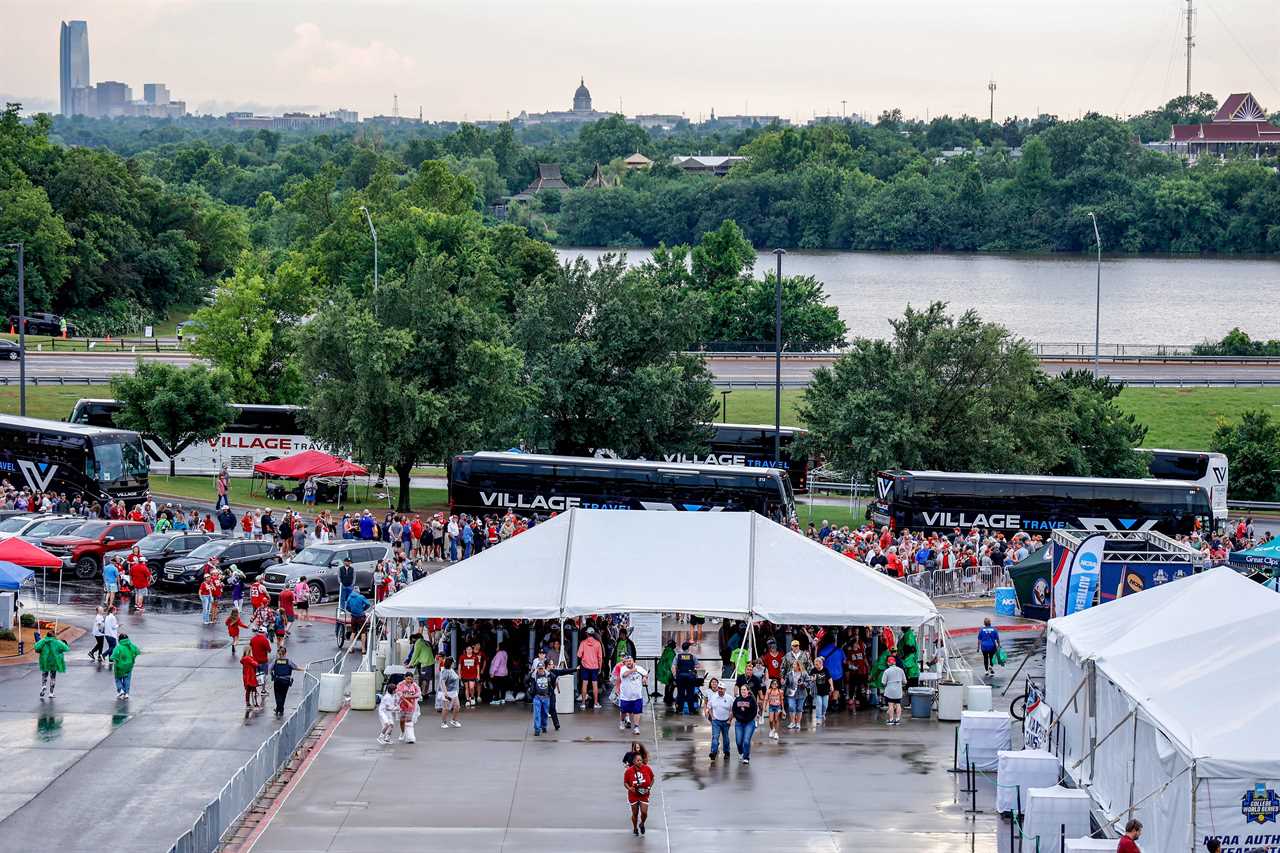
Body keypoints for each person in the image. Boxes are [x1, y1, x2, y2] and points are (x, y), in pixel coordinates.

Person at [623, 751, 654, 836]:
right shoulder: (629, 771)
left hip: (644, 794)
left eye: (641, 760)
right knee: (635, 813)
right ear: (633, 762)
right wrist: (630, 788)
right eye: (638, 760)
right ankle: (635, 828)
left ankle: (642, 823)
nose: (640, 762)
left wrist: (648, 788)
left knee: (644, 812)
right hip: (633, 795)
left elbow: (652, 778)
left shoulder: (647, 768)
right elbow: (625, 782)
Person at [615, 656, 649, 735]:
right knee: (623, 711)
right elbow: (624, 675)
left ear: (633, 661)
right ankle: (622, 721)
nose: (629, 662)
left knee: (637, 712)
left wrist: (644, 678)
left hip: (637, 696)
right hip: (626, 696)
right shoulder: (623, 669)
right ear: (625, 663)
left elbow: (646, 674)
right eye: (627, 661)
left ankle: (636, 727)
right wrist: (632, 670)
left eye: (630, 661)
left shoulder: (639, 668)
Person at [704, 678, 733, 761]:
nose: (720, 690)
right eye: (719, 689)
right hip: (716, 721)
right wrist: (712, 717)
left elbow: (732, 710)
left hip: (726, 721)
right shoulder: (713, 697)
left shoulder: (729, 698)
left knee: (726, 738)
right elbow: (709, 707)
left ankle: (726, 752)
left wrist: (729, 720)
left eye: (722, 689)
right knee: (715, 737)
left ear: (725, 690)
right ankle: (713, 752)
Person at [35, 630, 69, 700]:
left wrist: (41, 651)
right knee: (53, 677)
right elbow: (66, 648)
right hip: (54, 661)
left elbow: (36, 648)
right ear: (53, 635)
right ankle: (51, 693)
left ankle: (44, 685)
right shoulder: (57, 642)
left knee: (44, 674)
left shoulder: (43, 641)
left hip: (45, 660)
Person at [576, 626, 605, 708]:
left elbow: (578, 654)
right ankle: (596, 703)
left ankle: (583, 703)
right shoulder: (598, 643)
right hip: (595, 667)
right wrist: (599, 668)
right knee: (594, 684)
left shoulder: (583, 643)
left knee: (584, 684)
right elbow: (600, 657)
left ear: (586, 634)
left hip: (585, 666)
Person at [269, 646, 301, 718]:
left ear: (278, 653)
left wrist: (272, 673)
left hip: (277, 680)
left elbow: (269, 669)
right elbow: (296, 667)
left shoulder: (275, 661)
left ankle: (279, 708)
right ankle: (280, 709)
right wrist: (304, 669)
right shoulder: (288, 661)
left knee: (277, 696)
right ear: (285, 653)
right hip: (286, 681)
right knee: (283, 695)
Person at [732, 683, 758, 763]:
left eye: (744, 690)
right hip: (739, 723)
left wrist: (747, 719)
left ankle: (746, 757)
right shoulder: (737, 699)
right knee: (739, 741)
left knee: (746, 741)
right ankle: (741, 753)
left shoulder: (751, 700)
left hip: (749, 723)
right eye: (741, 690)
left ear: (748, 691)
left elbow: (754, 712)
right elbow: (734, 710)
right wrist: (739, 718)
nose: (742, 691)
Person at [110, 631, 141, 700]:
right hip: (129, 666)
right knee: (127, 679)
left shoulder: (118, 648)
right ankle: (126, 693)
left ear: (119, 640)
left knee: (118, 678)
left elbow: (113, 657)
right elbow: (137, 652)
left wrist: (113, 660)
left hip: (119, 666)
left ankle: (121, 690)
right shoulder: (131, 646)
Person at [527, 660, 553, 735]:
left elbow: (553, 681)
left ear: (544, 668)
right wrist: (532, 672)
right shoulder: (534, 675)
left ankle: (544, 726)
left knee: (545, 713)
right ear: (537, 668)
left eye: (542, 668)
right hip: (537, 697)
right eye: (539, 668)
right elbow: (526, 680)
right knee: (537, 714)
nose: (541, 670)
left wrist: (551, 692)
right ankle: (537, 729)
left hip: (546, 697)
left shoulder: (548, 674)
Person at [395, 673, 422, 743]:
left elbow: (419, 693)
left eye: (410, 679)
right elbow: (400, 694)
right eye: (407, 679)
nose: (409, 680)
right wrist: (407, 701)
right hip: (402, 705)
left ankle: (410, 737)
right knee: (402, 720)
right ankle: (402, 732)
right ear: (405, 678)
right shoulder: (400, 684)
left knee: (409, 720)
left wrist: (410, 697)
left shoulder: (414, 685)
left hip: (411, 706)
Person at [785, 659, 811, 731]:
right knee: (791, 707)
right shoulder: (789, 673)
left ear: (798, 666)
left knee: (799, 708)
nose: (793, 666)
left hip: (801, 693)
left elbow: (809, 683)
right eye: (793, 664)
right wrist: (784, 683)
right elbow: (786, 683)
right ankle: (792, 722)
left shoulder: (804, 673)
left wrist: (803, 684)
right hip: (791, 693)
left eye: (794, 664)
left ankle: (798, 723)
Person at [673, 641, 698, 714]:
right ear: (688, 648)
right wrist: (692, 666)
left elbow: (673, 666)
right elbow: (698, 665)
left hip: (680, 677)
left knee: (680, 693)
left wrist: (675, 676)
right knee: (690, 693)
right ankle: (691, 710)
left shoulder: (678, 656)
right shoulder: (692, 656)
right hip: (690, 677)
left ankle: (679, 710)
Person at [881, 655, 906, 726]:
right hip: (898, 690)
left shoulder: (886, 671)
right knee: (898, 704)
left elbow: (883, 682)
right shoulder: (901, 670)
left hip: (890, 690)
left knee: (890, 705)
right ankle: (897, 720)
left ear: (888, 663)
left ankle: (891, 720)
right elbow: (905, 681)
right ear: (895, 662)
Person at [438, 657, 462, 729]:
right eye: (452, 662)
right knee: (446, 708)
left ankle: (454, 720)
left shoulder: (451, 670)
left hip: (454, 691)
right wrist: (445, 693)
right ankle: (443, 722)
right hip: (448, 692)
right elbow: (442, 682)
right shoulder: (445, 671)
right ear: (450, 663)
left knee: (457, 706)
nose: (453, 663)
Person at [811, 656, 832, 725]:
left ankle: (823, 714)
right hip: (817, 691)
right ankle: (818, 719)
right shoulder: (813, 670)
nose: (815, 666)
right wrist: (812, 679)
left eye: (817, 664)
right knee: (819, 704)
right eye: (815, 664)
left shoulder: (825, 670)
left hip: (825, 690)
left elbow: (829, 678)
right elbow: (810, 677)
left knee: (825, 705)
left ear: (821, 664)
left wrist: (832, 686)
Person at [241, 649, 261, 717]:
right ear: (249, 652)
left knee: (248, 691)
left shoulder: (243, 659)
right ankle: (255, 703)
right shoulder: (248, 658)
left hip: (246, 677)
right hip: (251, 677)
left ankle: (248, 703)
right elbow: (255, 664)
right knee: (254, 690)